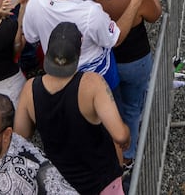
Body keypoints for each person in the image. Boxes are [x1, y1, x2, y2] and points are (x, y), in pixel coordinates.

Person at [15, 20, 131, 195]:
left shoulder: (30, 89)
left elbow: (20, 136)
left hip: (61, 183)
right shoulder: (91, 84)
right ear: (80, 47)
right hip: (101, 180)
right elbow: (120, 135)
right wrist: (126, 135)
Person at [21, 0, 158, 89]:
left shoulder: (35, 2)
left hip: (59, 76)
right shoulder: (89, 12)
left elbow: (30, 37)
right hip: (97, 79)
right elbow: (115, 39)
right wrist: (135, 1)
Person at [80, 0, 162, 165]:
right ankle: (128, 156)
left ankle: (111, 149)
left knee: (111, 109)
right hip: (135, 61)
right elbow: (155, 15)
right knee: (133, 109)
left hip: (105, 63)